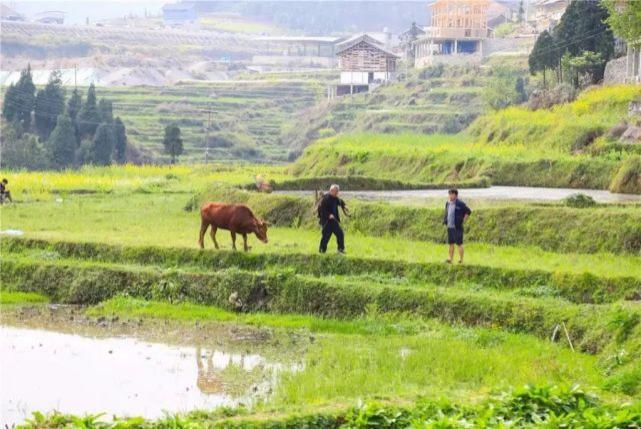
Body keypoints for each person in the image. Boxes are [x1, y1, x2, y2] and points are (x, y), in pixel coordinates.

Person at [318, 184, 348, 254]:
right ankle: (322, 251)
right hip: (326, 221)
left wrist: (344, 206)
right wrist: (329, 215)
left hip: (334, 221)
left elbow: (340, 201)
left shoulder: (335, 198)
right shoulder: (325, 199)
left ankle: (340, 249)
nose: (337, 193)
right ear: (331, 191)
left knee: (340, 234)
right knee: (326, 236)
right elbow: (322, 210)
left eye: (338, 191)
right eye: (336, 191)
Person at [443, 188, 471, 264]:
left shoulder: (460, 204)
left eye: (451, 194)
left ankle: (461, 260)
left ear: (455, 195)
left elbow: (468, 211)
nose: (450, 196)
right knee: (450, 243)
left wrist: (463, 220)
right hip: (449, 226)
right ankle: (450, 259)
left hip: (457, 227)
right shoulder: (447, 203)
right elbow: (446, 213)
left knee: (459, 243)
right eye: (449, 194)